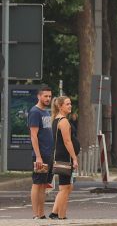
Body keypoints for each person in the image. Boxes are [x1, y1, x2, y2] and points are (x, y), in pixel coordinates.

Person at [48, 96, 79, 220]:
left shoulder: (56, 119)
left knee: (67, 187)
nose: (70, 106)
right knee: (64, 188)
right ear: (60, 106)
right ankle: (61, 216)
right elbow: (67, 142)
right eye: (67, 104)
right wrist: (74, 158)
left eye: (70, 103)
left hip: (60, 156)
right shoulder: (63, 121)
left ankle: (55, 212)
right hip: (64, 157)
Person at [28, 86, 54, 219]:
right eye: (45, 96)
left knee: (44, 185)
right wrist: (38, 156)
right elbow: (33, 135)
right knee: (37, 183)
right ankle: (35, 214)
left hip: (48, 154)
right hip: (40, 155)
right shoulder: (35, 112)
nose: (48, 98)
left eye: (50, 96)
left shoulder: (46, 112)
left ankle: (41, 213)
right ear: (39, 96)